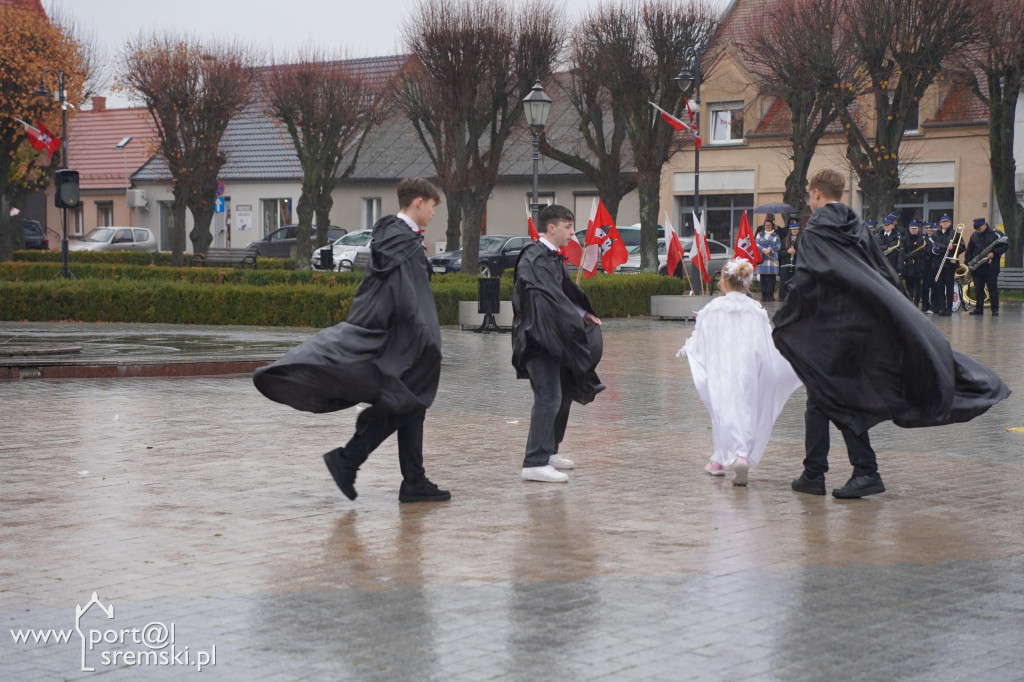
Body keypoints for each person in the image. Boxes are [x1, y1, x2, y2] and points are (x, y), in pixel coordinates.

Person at [773, 169, 1010, 499]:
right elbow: (881, 271)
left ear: (815, 193)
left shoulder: (816, 230)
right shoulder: (855, 225)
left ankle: (858, 471)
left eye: (808, 196)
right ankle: (818, 472)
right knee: (823, 396)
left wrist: (785, 318)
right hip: (861, 326)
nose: (807, 202)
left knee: (832, 396)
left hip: (834, 329)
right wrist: (895, 309)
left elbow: (809, 277)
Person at [253, 178, 451, 503]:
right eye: (431, 206)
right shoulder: (402, 243)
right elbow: (407, 299)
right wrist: (426, 338)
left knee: (412, 404)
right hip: (396, 341)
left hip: (392, 336)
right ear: (418, 202)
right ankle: (348, 460)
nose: (433, 213)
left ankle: (413, 481)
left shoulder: (394, 238)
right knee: (405, 403)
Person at [677, 258, 801, 486]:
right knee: (747, 409)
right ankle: (734, 456)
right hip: (749, 368)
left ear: (723, 283)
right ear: (747, 284)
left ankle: (725, 458)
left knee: (723, 412)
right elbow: (767, 343)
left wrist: (689, 350)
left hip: (721, 369)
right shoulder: (756, 311)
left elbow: (700, 339)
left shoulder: (712, 310)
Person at [512, 204, 605, 483]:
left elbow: (564, 293)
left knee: (562, 396)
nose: (571, 232)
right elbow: (547, 298)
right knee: (548, 397)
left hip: (556, 338)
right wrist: (574, 319)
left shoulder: (551, 257)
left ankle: (550, 452)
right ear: (551, 228)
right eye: (567, 226)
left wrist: (582, 313)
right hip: (538, 339)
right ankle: (534, 462)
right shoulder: (534, 258)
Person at [965, 217, 1009, 316]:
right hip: (978, 267)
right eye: (976, 229)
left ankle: (995, 309)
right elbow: (969, 250)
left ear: (985, 225)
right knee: (978, 289)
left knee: (992, 289)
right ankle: (979, 309)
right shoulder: (974, 235)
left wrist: (994, 253)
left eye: (979, 228)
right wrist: (968, 262)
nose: (977, 230)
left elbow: (1005, 246)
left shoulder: (996, 234)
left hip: (991, 267)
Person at [931, 214, 962, 316]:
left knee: (949, 286)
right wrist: (936, 249)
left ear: (950, 222)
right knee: (939, 287)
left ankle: (949, 307)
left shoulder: (955, 234)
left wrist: (953, 247)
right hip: (938, 263)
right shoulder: (935, 234)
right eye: (943, 222)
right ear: (940, 223)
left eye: (947, 221)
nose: (945, 223)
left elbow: (962, 246)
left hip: (949, 264)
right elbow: (931, 247)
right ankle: (942, 307)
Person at [902, 220, 928, 308]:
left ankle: (916, 303)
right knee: (908, 285)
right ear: (909, 229)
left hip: (918, 265)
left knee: (917, 286)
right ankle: (909, 302)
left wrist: (911, 255)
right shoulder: (905, 238)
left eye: (915, 228)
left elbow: (922, 252)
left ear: (918, 229)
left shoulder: (922, 238)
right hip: (908, 265)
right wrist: (906, 256)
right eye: (911, 228)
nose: (913, 230)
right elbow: (902, 250)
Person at [754, 216, 781, 302]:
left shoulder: (776, 235)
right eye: (766, 225)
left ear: (772, 226)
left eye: (769, 225)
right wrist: (763, 250)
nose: (768, 227)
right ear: (764, 226)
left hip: (772, 258)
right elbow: (756, 244)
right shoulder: (759, 234)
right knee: (763, 277)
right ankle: (763, 294)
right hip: (762, 258)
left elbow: (778, 245)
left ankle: (770, 295)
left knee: (772, 277)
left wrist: (770, 250)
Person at [778, 218, 801, 301]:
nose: (795, 231)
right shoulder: (785, 240)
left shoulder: (801, 240)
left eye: (796, 229)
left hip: (796, 265)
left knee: (796, 283)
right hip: (786, 265)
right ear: (790, 230)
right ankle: (783, 297)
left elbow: (804, 253)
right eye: (793, 229)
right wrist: (787, 251)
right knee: (784, 282)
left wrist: (795, 252)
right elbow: (780, 253)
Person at [922, 221, 940, 313]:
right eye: (927, 228)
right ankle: (925, 305)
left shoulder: (937, 238)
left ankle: (935, 305)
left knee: (935, 286)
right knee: (925, 286)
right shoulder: (924, 239)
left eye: (931, 229)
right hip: (927, 265)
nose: (929, 230)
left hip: (936, 265)